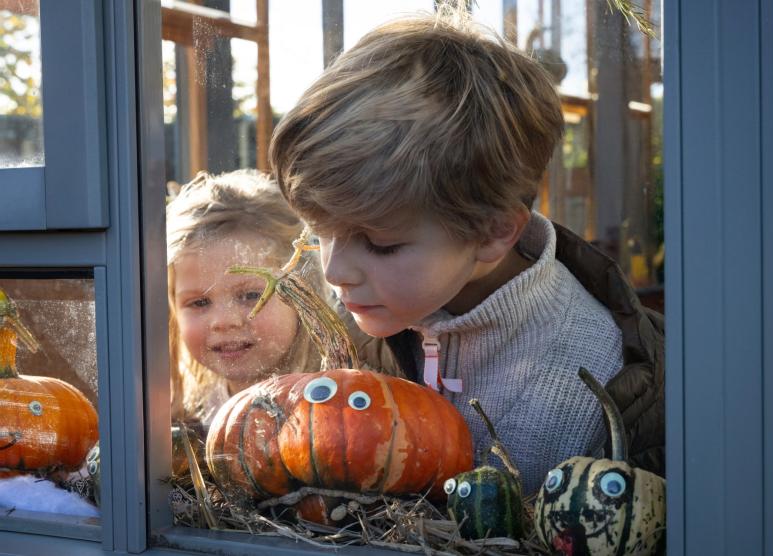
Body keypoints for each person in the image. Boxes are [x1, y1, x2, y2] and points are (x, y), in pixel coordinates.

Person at [268, 10, 665, 494]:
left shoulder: (591, 391)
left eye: (380, 244)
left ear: (493, 233)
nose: (335, 271)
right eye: (320, 232)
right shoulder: (364, 316)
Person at [167, 170, 323, 430]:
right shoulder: (184, 418)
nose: (223, 321)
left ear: (302, 294)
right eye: (200, 302)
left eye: (251, 296)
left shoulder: (332, 401)